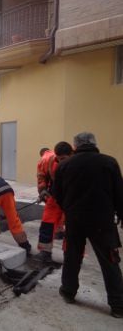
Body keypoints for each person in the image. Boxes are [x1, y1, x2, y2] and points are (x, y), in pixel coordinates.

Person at [53, 132, 123, 318]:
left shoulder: (64, 165)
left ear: (75, 146)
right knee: (110, 261)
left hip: (75, 220)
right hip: (103, 221)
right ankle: (118, 306)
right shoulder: (109, 162)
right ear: (95, 143)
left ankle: (68, 292)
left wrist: (68, 208)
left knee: (72, 256)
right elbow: (119, 193)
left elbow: (56, 193)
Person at [34, 142, 73, 263]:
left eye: (64, 159)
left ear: (71, 154)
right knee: (47, 222)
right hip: (55, 194)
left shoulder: (79, 161)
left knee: (73, 225)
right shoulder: (46, 161)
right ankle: (45, 251)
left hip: (73, 195)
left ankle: (71, 255)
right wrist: (43, 191)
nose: (61, 162)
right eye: (59, 159)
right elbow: (41, 177)